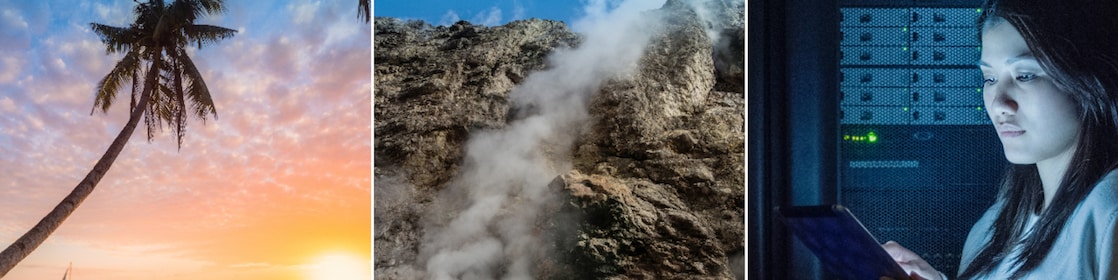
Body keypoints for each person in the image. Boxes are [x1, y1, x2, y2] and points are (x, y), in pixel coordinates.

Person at [882, 0, 1118, 279]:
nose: (999, 104)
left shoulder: (1108, 213)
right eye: (990, 79)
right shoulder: (995, 225)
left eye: (1025, 76)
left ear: (1089, 80)